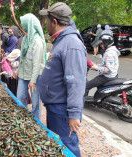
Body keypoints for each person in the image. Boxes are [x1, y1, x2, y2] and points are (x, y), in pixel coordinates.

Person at [39, 2, 87, 157]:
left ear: (54, 22)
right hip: (55, 107)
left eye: (47, 19)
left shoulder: (71, 44)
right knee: (57, 146)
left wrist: (74, 114)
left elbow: (75, 83)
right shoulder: (60, 40)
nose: (45, 23)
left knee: (67, 147)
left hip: (63, 110)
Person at [16, 13, 46, 121]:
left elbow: (37, 64)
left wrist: (33, 81)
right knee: (20, 97)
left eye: (23, 24)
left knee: (35, 102)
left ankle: (36, 123)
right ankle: (24, 119)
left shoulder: (38, 42)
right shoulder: (26, 38)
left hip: (36, 75)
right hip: (24, 73)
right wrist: (18, 71)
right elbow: (23, 57)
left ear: (29, 25)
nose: (22, 26)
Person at [85, 25, 120, 96]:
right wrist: (96, 65)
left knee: (86, 86)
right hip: (112, 75)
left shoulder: (109, 53)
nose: (101, 45)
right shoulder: (112, 50)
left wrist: (96, 68)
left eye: (102, 43)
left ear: (106, 43)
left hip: (107, 76)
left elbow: (108, 69)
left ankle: (82, 102)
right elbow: (106, 65)